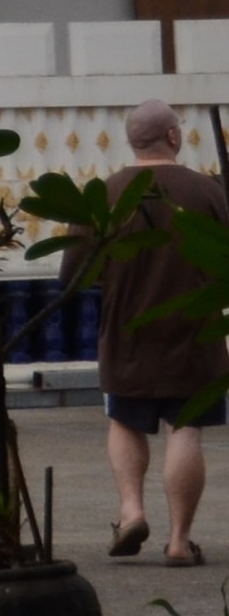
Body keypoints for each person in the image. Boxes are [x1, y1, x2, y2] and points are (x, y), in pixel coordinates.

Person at [78, 99, 229, 567]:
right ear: (172, 137)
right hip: (195, 334)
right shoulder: (205, 191)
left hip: (127, 333)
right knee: (184, 429)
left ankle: (131, 512)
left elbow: (77, 273)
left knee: (125, 421)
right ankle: (180, 541)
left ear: (132, 140)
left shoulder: (106, 193)